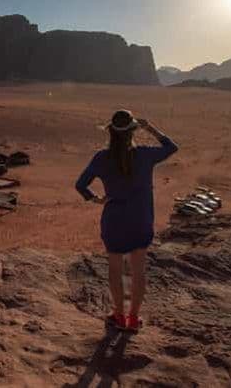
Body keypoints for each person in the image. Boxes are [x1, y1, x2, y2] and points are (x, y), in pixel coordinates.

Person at [75, 109, 178, 331]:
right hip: (141, 218)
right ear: (133, 130)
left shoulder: (101, 158)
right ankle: (133, 319)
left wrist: (95, 200)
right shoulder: (144, 154)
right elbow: (171, 147)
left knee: (115, 267)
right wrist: (150, 127)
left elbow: (80, 185)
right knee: (138, 269)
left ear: (110, 131)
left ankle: (118, 316)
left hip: (114, 218)